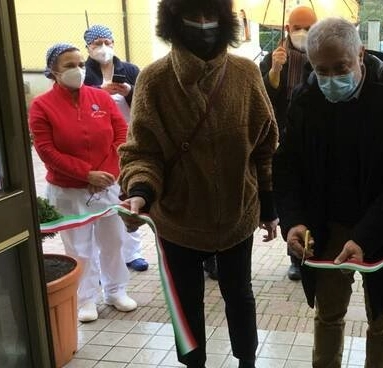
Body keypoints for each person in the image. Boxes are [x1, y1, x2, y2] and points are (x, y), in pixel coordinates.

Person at [117, 0, 279, 367]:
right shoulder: (155, 80)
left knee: (240, 294)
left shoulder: (245, 75)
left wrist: (269, 208)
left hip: (238, 213)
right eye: (194, 15)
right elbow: (142, 151)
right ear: (173, 20)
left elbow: (266, 147)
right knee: (185, 302)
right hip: (177, 219)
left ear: (224, 20)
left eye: (212, 16)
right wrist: (140, 193)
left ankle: (247, 361)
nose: (204, 25)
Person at [273, 17, 383, 368]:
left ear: (360, 54)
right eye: (320, 69)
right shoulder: (305, 98)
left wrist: (365, 235)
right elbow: (287, 166)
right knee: (328, 313)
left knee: (382, 318)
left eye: (340, 67)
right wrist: (294, 221)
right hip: (327, 226)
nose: (330, 79)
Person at [29, 43, 138, 323]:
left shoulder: (99, 98)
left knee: (114, 240)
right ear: (53, 71)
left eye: (79, 63)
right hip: (68, 190)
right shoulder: (41, 106)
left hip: (107, 185)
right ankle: (86, 298)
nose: (77, 70)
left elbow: (121, 133)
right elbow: (46, 151)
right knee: (79, 248)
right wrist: (86, 174)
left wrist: (109, 173)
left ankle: (115, 290)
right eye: (69, 66)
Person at [82, 24, 148, 272]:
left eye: (107, 42)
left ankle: (133, 253)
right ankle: (101, 262)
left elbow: (144, 102)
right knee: (101, 200)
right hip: (98, 145)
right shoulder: (85, 74)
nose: (103, 47)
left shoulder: (129, 70)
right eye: (97, 43)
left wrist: (129, 91)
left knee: (129, 195)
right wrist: (99, 92)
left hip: (129, 140)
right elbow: (78, 102)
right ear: (88, 47)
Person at [259, 5, 317, 281]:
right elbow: (264, 100)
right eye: (297, 28)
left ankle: (311, 250)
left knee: (312, 194)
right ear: (287, 29)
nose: (303, 33)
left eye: (308, 27)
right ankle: (295, 255)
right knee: (289, 195)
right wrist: (275, 70)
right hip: (282, 138)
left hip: (314, 137)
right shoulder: (273, 59)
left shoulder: (321, 55)